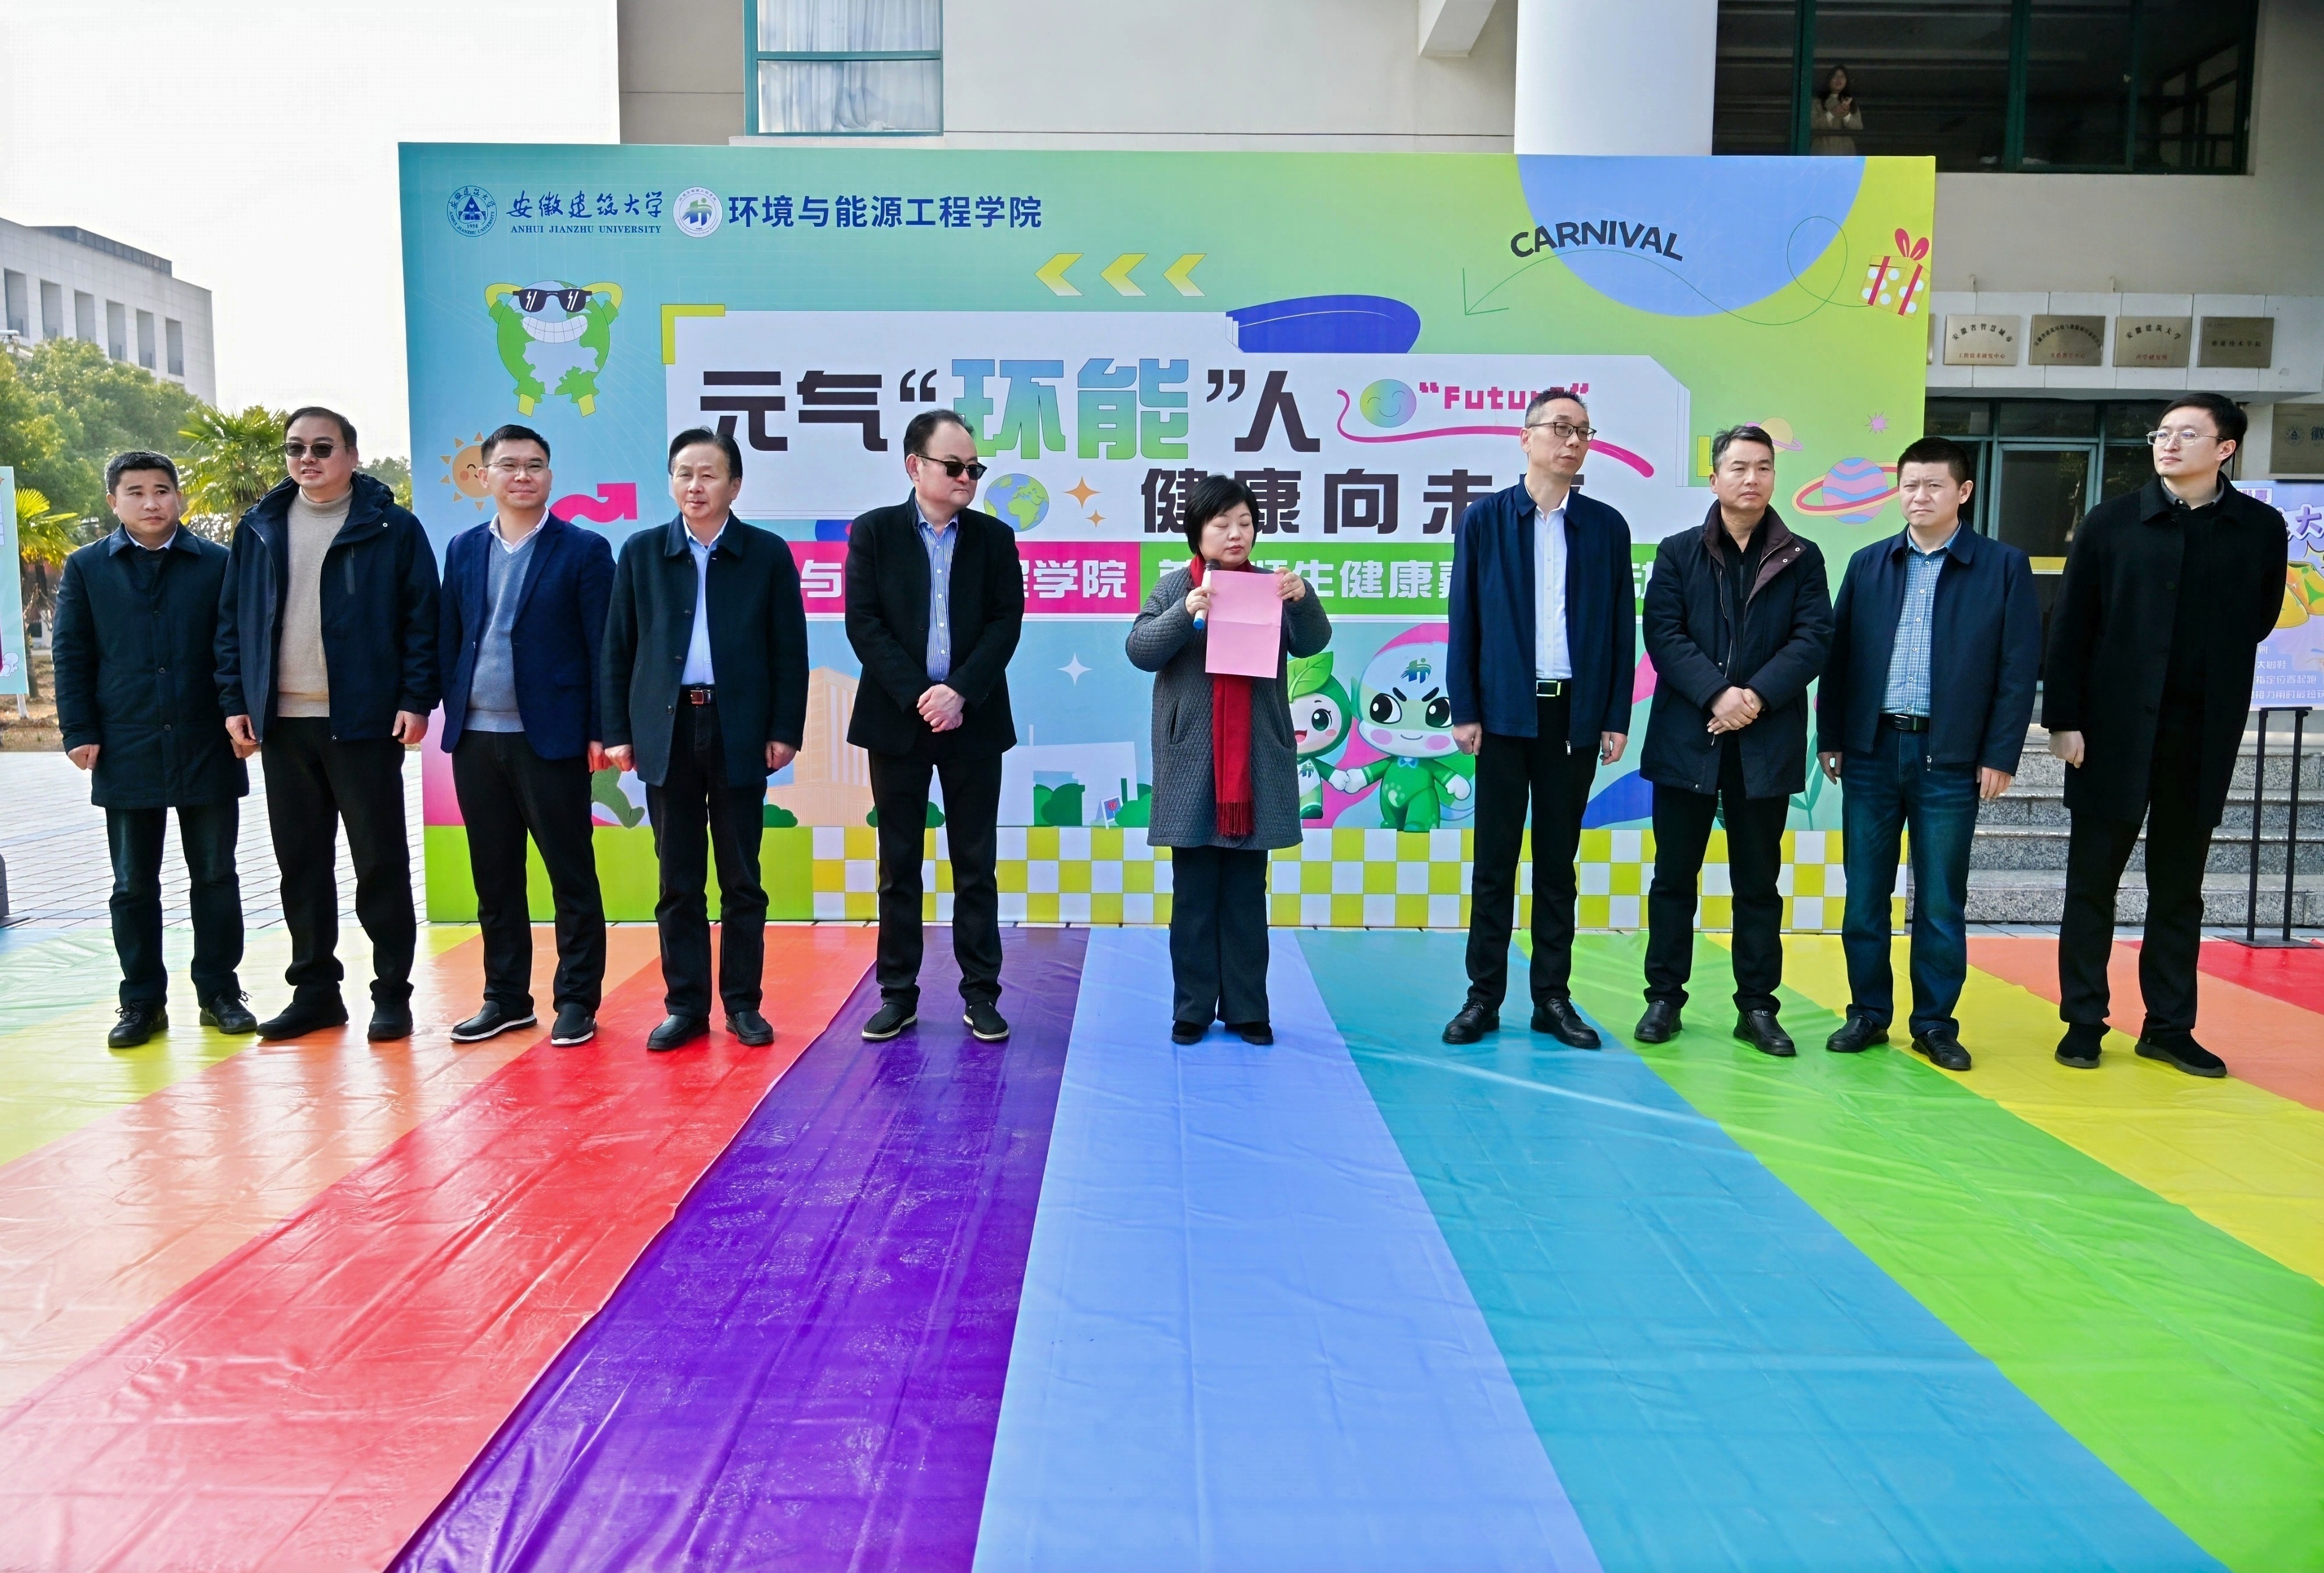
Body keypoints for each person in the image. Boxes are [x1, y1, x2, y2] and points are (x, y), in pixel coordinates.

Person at [2044, 393, 2289, 1078]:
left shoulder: (2259, 528)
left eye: (2187, 434)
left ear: (2225, 449)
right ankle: (2083, 1021)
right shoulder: (2111, 522)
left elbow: (2260, 617)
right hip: (2109, 733)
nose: (2168, 444)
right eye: (2162, 433)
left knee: (2179, 890)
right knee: (2091, 885)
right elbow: (2069, 625)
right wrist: (2063, 720)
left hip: (2200, 735)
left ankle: (2169, 1026)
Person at [1816, 436, 2039, 1072]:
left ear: (1962, 492)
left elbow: (2017, 668)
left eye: (1933, 485)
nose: (1919, 496)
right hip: (1871, 751)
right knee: (1865, 895)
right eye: (1909, 485)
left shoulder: (2002, 566)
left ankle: (1935, 1024)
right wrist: (1831, 737)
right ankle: (1867, 1013)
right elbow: (1838, 657)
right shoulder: (1869, 563)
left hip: (1951, 757)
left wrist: (1999, 753)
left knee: (1940, 899)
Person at [216, 408, 439, 1042]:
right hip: (282, 725)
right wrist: (236, 700)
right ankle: (315, 993)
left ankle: (391, 995)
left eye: (322, 447)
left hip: (364, 724)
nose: (307, 459)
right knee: (301, 867)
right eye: (295, 449)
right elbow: (232, 622)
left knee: (380, 864)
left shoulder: (393, 527)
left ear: (352, 455)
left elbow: (423, 620)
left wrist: (416, 699)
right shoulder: (259, 527)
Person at [601, 427, 808, 1052]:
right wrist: (619, 733)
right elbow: (618, 649)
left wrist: (784, 730)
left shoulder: (765, 554)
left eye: (708, 474)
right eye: (684, 474)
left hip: (738, 728)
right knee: (677, 880)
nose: (695, 486)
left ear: (734, 485)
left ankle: (743, 1004)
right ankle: (685, 1007)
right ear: (671, 482)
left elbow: (789, 651)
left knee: (742, 878)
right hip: (666, 730)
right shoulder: (642, 552)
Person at [1441, 389, 1636, 1048]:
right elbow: (1464, 618)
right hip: (1500, 715)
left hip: (1572, 717)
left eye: (1582, 431)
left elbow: (1620, 628)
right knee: (1494, 864)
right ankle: (1482, 999)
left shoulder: (1605, 527)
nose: (1572, 441)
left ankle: (1552, 998)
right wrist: (1465, 708)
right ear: (1525, 438)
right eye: (1559, 428)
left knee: (1557, 866)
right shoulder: (1485, 520)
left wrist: (1613, 715)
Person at [1637, 424, 1832, 1055]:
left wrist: (1753, 699)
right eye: (1739, 467)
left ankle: (1757, 1007)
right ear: (1714, 477)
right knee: (1673, 878)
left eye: (1763, 468)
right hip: (1687, 737)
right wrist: (1718, 695)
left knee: (1757, 884)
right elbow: (1663, 634)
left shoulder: (1803, 557)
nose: (1752, 479)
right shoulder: (1678, 552)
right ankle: (1664, 998)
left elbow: (1813, 638)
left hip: (1764, 742)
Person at [52, 452, 256, 1048]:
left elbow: (235, 648)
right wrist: (78, 730)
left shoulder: (217, 563)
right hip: (127, 743)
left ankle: (220, 992)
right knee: (132, 884)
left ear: (180, 497)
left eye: (162, 490)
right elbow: (71, 653)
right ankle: (142, 1002)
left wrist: (241, 716)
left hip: (206, 741)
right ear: (112, 502)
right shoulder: (87, 567)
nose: (150, 502)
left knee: (216, 875)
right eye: (135, 491)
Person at [844, 409, 1026, 1044]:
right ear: (914, 467)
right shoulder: (874, 533)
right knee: (899, 865)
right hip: (898, 719)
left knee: (975, 863)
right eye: (954, 466)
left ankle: (981, 994)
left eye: (974, 468)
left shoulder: (994, 539)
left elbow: (1005, 623)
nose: (967, 478)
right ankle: (898, 995)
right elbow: (864, 624)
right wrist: (922, 695)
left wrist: (959, 693)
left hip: (972, 719)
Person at [1127, 475, 1330, 1044]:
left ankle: (1246, 1009)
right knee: (1193, 897)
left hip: (1254, 765)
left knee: (1245, 896)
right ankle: (1192, 1009)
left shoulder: (1272, 586)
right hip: (1192, 765)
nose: (1236, 533)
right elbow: (1140, 650)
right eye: (1222, 524)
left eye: (1245, 523)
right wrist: (1184, 612)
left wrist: (1303, 599)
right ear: (1197, 532)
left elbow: (1312, 642)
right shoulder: (1175, 587)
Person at [438, 424, 614, 1048]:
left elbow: (603, 646)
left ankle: (577, 1000)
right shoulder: (463, 548)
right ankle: (506, 998)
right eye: (508, 465)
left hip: (552, 737)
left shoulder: (584, 549)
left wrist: (601, 730)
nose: (522, 476)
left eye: (535, 465)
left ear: (550, 475)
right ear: (484, 476)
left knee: (571, 874)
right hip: (475, 737)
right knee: (495, 878)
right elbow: (449, 634)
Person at [1810, 65, 1862, 155]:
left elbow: (1859, 128)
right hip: (1823, 148)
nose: (1839, 80)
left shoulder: (1852, 103)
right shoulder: (1817, 103)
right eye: (1835, 76)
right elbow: (1812, 126)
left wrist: (1846, 115)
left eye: (1842, 76)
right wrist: (1832, 113)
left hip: (1846, 150)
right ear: (1829, 80)